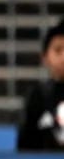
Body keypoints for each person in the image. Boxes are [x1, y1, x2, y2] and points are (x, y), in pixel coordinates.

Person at [17, 19, 64, 151]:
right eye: (58, 50)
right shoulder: (37, 97)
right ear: (45, 57)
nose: (63, 57)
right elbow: (25, 148)